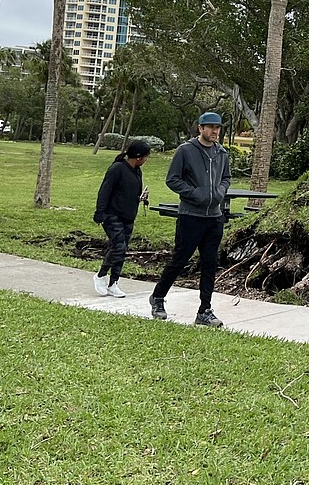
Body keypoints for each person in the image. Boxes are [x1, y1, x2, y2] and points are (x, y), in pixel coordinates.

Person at [149, 112, 231, 327]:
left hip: (214, 218)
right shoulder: (185, 151)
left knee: (210, 264)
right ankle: (158, 298)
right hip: (190, 216)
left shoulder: (221, 153)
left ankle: (205, 310)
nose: (214, 131)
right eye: (210, 127)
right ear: (200, 129)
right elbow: (172, 179)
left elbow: (226, 178)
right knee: (180, 259)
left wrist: (220, 192)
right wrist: (195, 194)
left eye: (218, 128)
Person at [93, 139, 152, 297]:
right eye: (146, 157)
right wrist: (100, 214)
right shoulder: (117, 169)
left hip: (128, 216)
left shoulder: (137, 171)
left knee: (122, 250)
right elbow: (104, 191)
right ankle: (100, 276)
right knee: (118, 247)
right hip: (112, 215)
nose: (146, 160)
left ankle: (113, 283)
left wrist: (142, 198)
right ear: (139, 157)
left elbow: (130, 192)